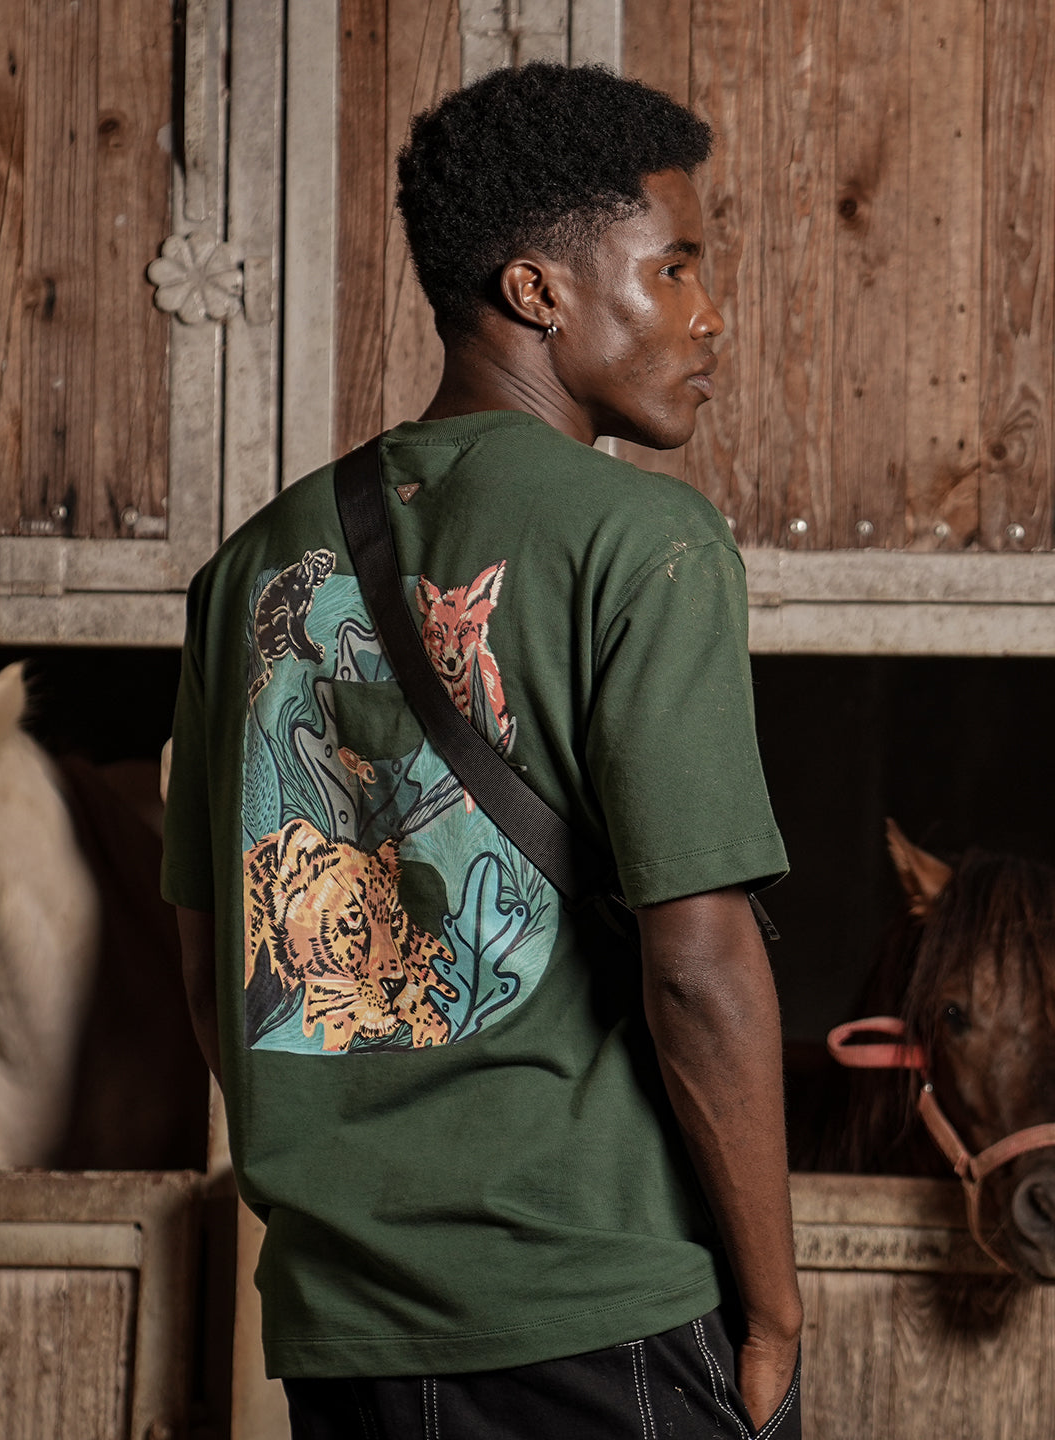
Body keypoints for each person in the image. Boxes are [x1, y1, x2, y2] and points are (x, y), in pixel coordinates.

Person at [162, 61, 802, 1440]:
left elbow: (217, 971)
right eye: (674, 267)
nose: (710, 314)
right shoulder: (648, 543)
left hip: (341, 1327)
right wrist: (776, 1314)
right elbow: (699, 973)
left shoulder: (247, 571)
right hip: (600, 1302)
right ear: (536, 291)